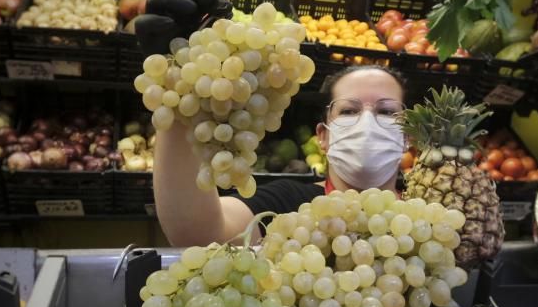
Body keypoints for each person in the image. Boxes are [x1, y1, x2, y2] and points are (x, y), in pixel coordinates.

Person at [153, 64, 408, 246]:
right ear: (323, 137)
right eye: (349, 111)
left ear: (408, 138)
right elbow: (198, 231)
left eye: (386, 112)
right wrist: (181, 87)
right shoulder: (287, 204)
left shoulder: (434, 215)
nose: (367, 122)